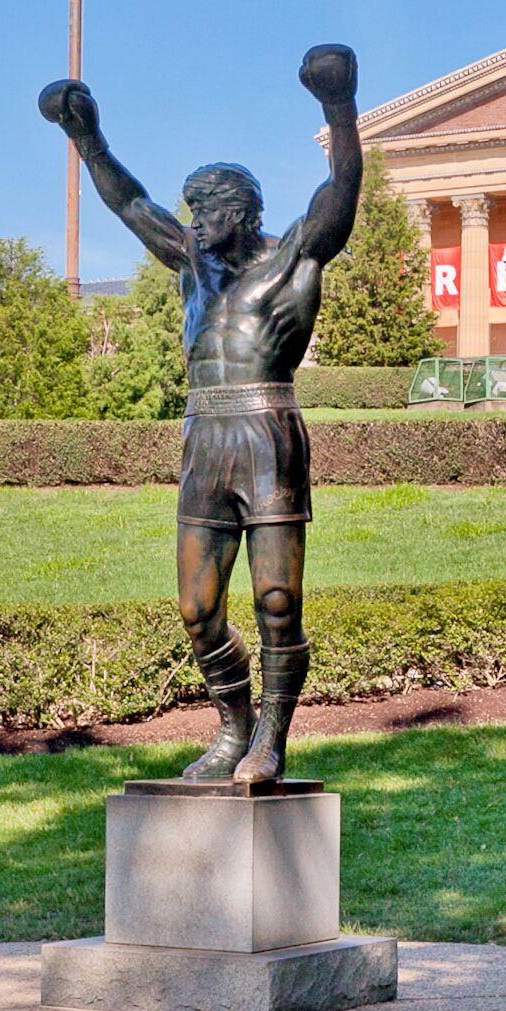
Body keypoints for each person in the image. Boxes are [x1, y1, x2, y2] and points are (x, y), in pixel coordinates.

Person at [38, 44, 361, 782]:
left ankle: (271, 740)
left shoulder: (293, 258)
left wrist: (338, 107)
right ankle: (233, 725)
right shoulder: (188, 260)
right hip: (204, 435)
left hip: (268, 430)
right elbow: (128, 201)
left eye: (207, 208)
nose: (194, 219)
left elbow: (340, 192)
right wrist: (89, 139)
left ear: (241, 212)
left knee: (277, 599)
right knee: (196, 607)